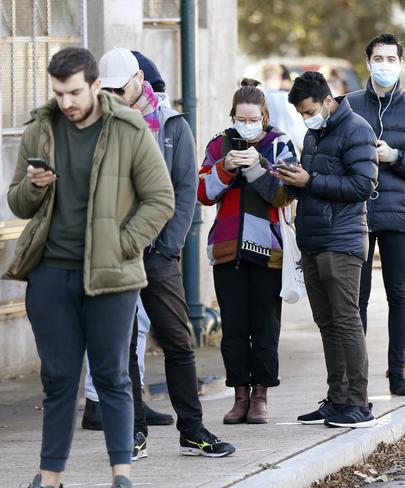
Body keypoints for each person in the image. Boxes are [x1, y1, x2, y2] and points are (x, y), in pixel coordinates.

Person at [4, 47, 174, 488]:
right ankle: (50, 476)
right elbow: (17, 201)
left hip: (111, 277)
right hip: (51, 274)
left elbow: (161, 199)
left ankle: (121, 474)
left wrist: (124, 244)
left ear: (95, 85)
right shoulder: (41, 130)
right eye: (59, 92)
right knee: (58, 381)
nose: (66, 102)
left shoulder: (128, 127)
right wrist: (34, 186)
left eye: (75, 92)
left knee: (112, 376)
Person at [98, 47, 234, 461]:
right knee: (122, 347)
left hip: (158, 254)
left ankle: (192, 430)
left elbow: (183, 193)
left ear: (139, 79)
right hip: (116, 253)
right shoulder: (97, 123)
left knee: (178, 342)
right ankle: (132, 432)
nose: (115, 97)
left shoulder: (172, 126)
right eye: (107, 91)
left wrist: (169, 246)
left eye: (120, 89)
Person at [278, 71, 378, 428]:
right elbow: (314, 183)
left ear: (327, 101)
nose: (307, 118)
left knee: (346, 320)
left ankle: (358, 403)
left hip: (343, 241)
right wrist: (294, 179)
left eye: (310, 110)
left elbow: (363, 185)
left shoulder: (357, 130)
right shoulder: (313, 134)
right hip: (314, 240)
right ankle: (337, 399)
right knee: (327, 324)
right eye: (302, 114)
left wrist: (311, 180)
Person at [82, 50, 174, 433]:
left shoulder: (157, 120)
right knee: (111, 325)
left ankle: (131, 401)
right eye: (113, 89)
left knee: (137, 325)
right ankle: (97, 402)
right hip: (110, 239)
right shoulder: (97, 122)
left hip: (141, 239)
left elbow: (164, 190)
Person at [197, 78, 296, 425]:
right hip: (227, 248)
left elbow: (284, 195)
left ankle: (261, 397)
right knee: (234, 327)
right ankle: (239, 394)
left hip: (268, 249)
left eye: (254, 119)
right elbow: (204, 193)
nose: (248, 124)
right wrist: (226, 167)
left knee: (265, 325)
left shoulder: (279, 144)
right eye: (242, 118)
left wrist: (256, 167)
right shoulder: (218, 144)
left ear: (265, 117)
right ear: (233, 116)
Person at [347, 33, 405, 396]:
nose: (384, 65)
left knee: (400, 294)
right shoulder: (349, 105)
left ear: (401, 64)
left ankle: (397, 370)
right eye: (378, 58)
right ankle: (357, 378)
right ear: (367, 62)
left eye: (391, 59)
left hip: (399, 213)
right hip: (356, 213)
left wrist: (395, 157)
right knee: (358, 297)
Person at [261, 62, 306, 154]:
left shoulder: (258, 98)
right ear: (278, 76)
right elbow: (296, 126)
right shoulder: (286, 98)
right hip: (285, 148)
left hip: (264, 148)